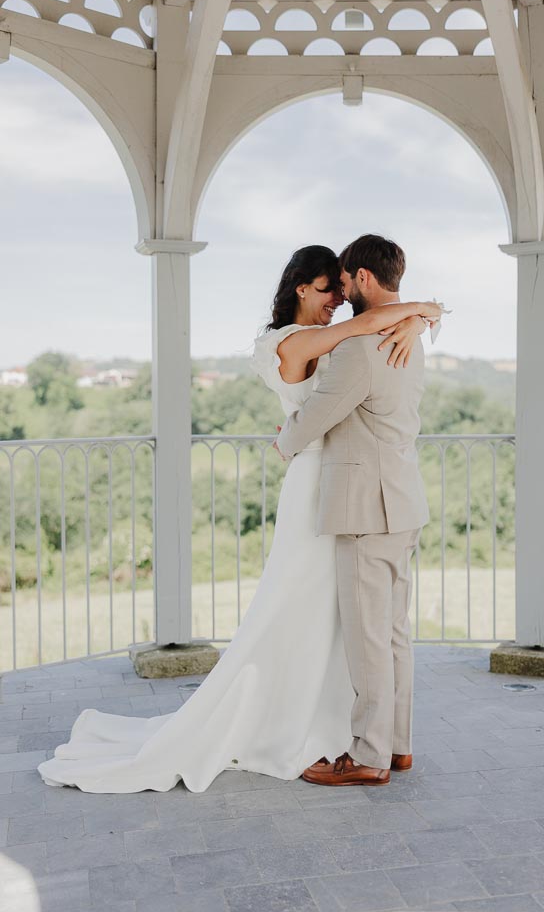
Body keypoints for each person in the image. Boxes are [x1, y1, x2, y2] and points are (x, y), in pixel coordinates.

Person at [36, 244, 441, 793]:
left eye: (343, 290)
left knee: (364, 627)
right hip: (331, 490)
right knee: (348, 619)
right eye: (328, 291)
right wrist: (421, 314)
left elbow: (337, 378)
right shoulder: (298, 342)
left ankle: (369, 743)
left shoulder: (368, 341)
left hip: (349, 491)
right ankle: (370, 738)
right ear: (302, 288)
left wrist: (421, 316)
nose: (337, 302)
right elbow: (361, 332)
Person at [275, 235, 430, 787]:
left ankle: (367, 756)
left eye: (344, 280)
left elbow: (319, 413)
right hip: (404, 502)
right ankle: (399, 746)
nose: (341, 289)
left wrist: (284, 442)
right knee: (392, 634)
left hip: (367, 508)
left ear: (363, 278)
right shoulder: (411, 335)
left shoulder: (360, 348)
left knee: (368, 639)